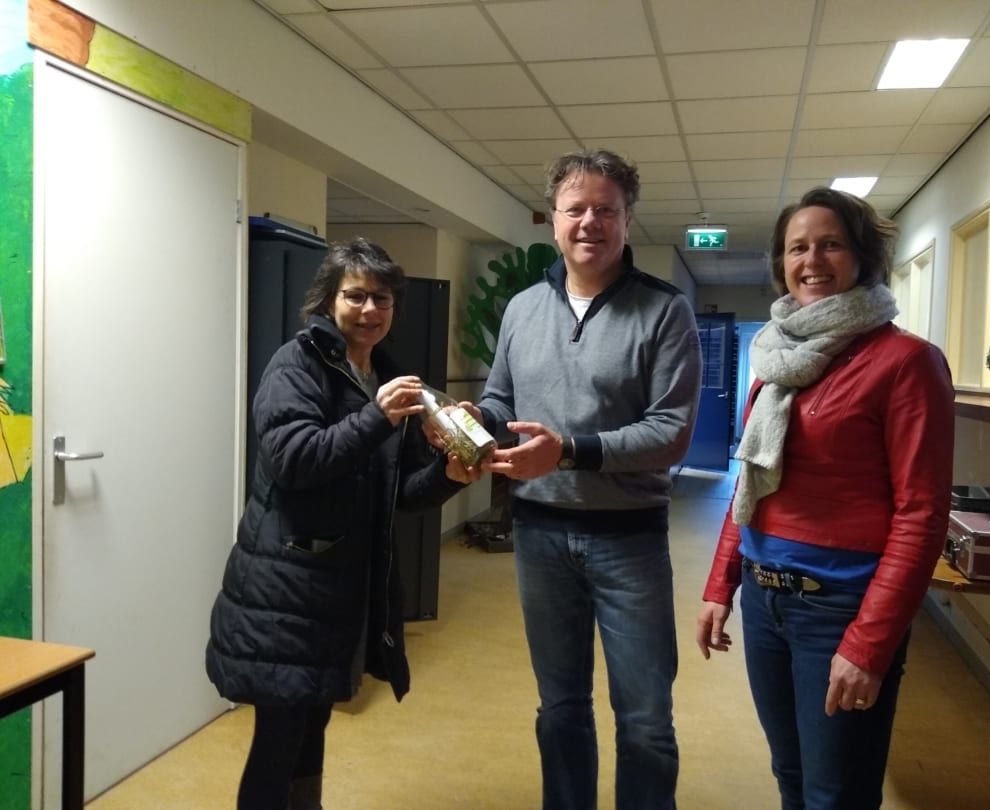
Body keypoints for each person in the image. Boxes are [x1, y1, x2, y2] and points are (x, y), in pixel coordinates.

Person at [695, 187, 954, 809]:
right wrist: (719, 586)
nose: (811, 260)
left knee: (836, 794)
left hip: (839, 609)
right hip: (764, 600)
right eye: (797, 248)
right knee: (790, 773)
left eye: (830, 244)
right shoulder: (776, 361)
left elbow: (921, 515)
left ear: (863, 256)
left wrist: (868, 643)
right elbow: (750, 484)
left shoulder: (906, 362)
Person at [205, 238, 479, 810]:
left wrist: (450, 474)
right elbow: (294, 461)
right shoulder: (297, 364)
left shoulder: (387, 376)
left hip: (339, 591)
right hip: (284, 591)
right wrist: (376, 417)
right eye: (355, 296)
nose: (369, 310)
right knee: (279, 741)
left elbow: (398, 493)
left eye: (382, 298)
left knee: (312, 730)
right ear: (328, 301)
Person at [469, 148, 702, 809]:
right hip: (539, 535)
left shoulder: (664, 311)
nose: (589, 222)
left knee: (646, 719)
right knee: (561, 707)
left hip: (629, 540)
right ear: (553, 218)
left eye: (607, 209)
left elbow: (670, 433)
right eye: (576, 209)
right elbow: (501, 398)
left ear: (627, 220)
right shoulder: (521, 309)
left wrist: (568, 451)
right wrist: (477, 421)